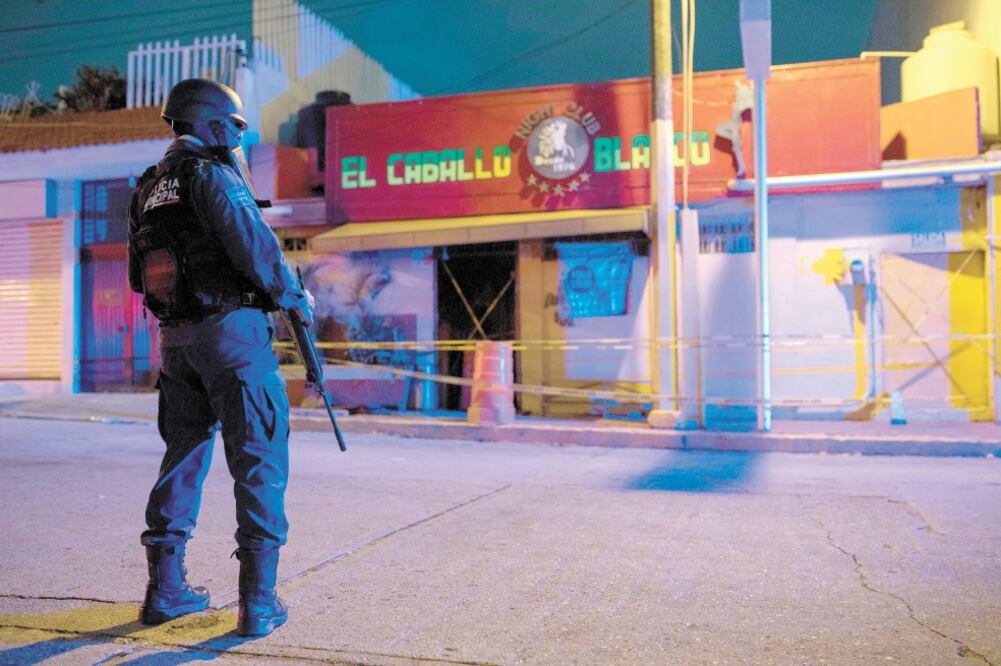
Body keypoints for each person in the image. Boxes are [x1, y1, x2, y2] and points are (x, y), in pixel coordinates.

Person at [127, 78, 314, 637]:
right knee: (259, 459)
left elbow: (140, 275)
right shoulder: (212, 175)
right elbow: (258, 250)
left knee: (181, 458)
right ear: (209, 124)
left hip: (175, 342)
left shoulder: (147, 188)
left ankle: (164, 591)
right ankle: (258, 604)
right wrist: (295, 298)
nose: (238, 136)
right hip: (231, 337)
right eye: (234, 126)